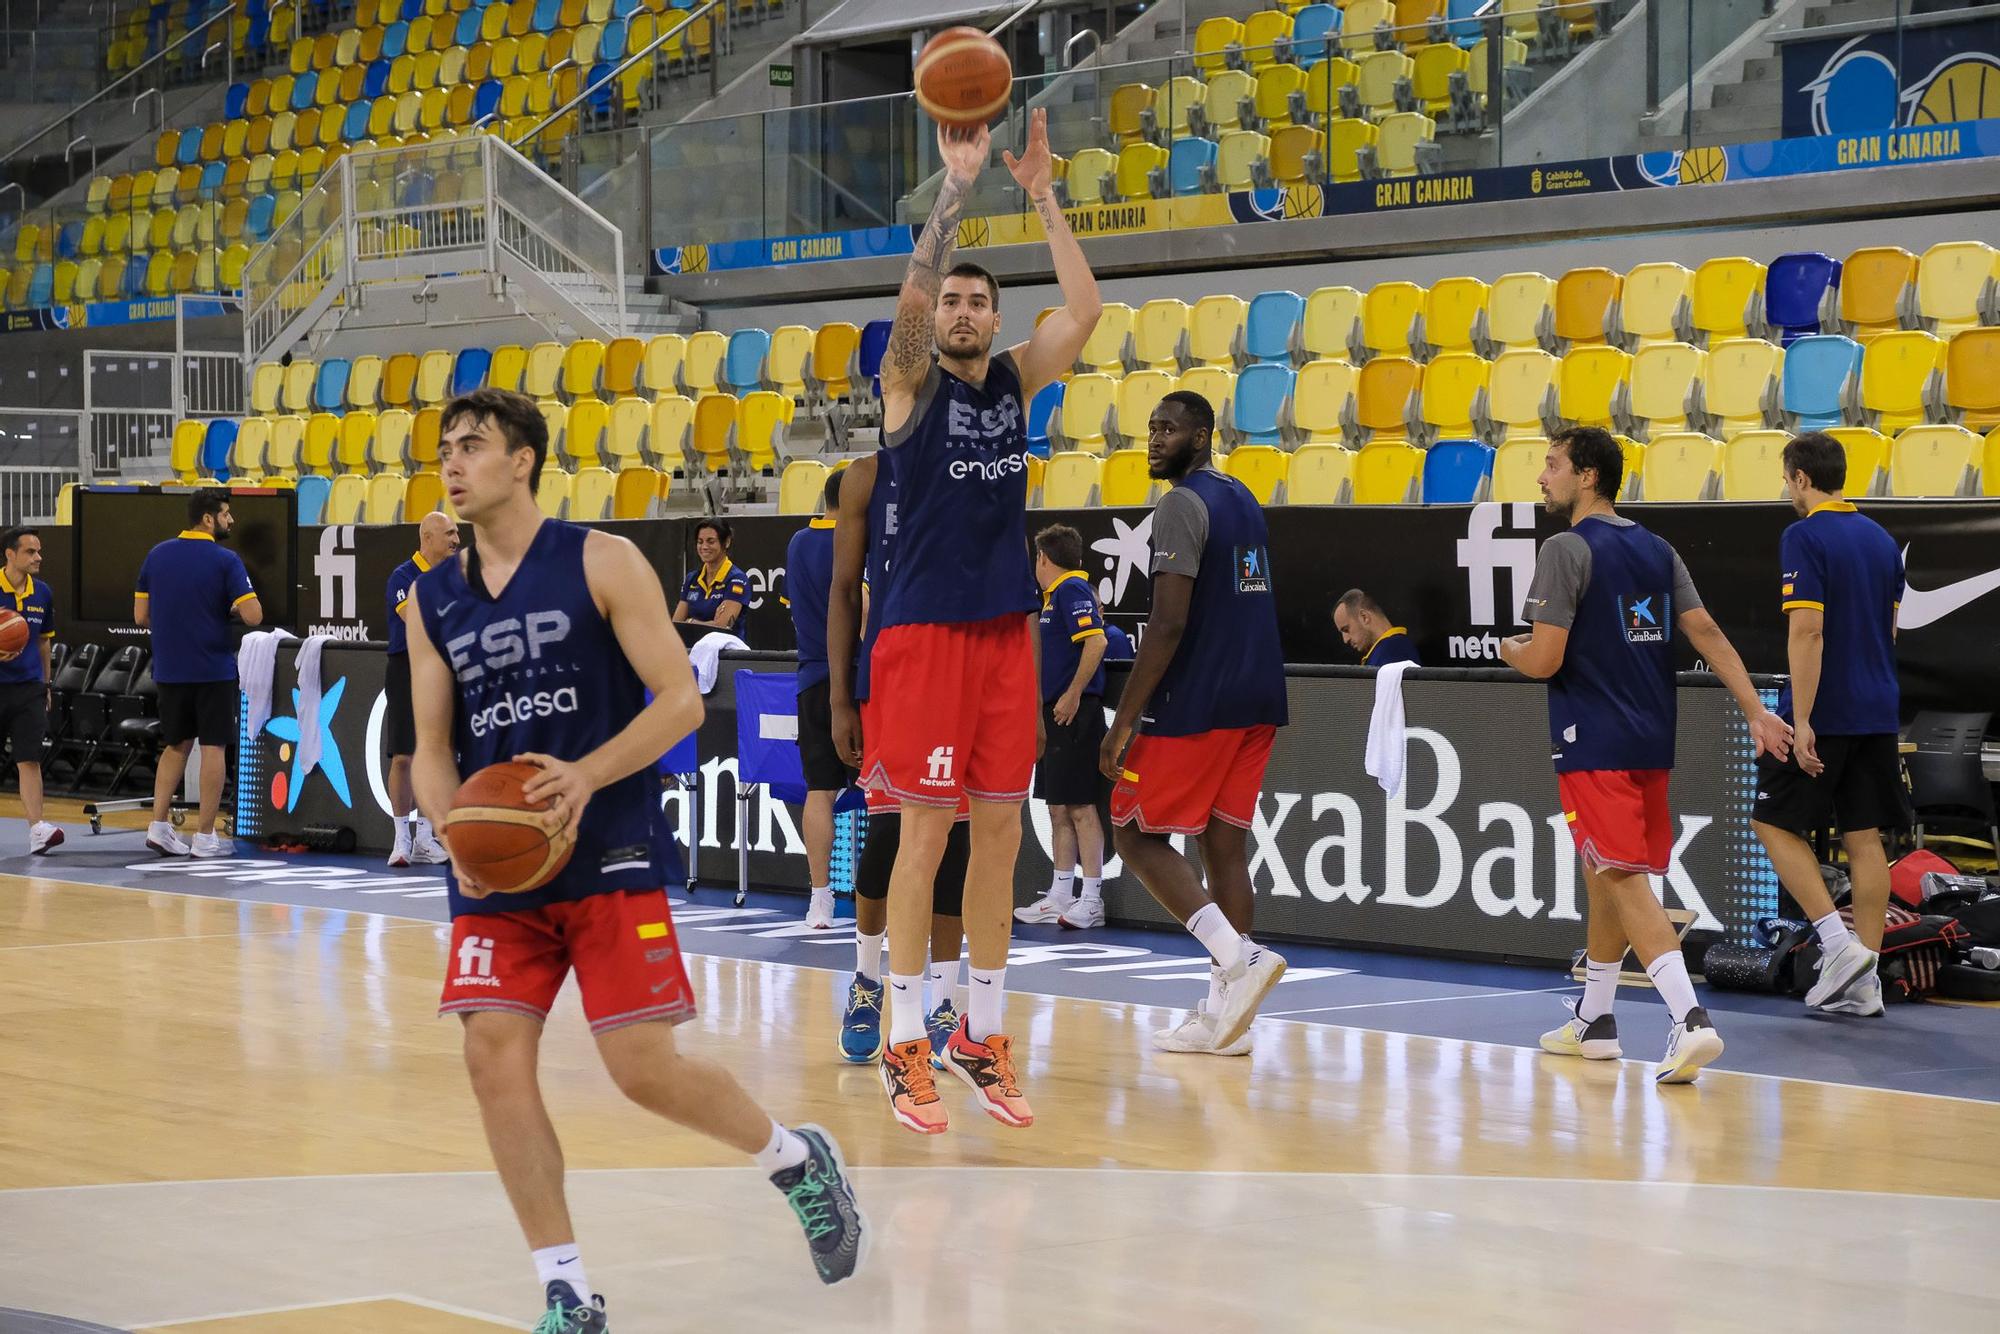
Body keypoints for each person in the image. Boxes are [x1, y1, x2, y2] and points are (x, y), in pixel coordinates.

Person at [405, 389, 864, 1329]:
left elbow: (679, 704)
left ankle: (794, 1159)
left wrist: (582, 777)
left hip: (607, 842)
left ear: (523, 459)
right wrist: (454, 833)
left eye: (473, 446)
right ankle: (566, 1290)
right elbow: (432, 746)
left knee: (639, 1067)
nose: (453, 462)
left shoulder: (601, 560)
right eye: (445, 448)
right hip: (500, 868)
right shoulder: (431, 599)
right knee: (493, 1058)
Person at [829, 106, 1101, 1135]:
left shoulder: (1012, 386)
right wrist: (951, 193)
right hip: (920, 635)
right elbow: (904, 308)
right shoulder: (907, 385)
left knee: (998, 837)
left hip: (1000, 634)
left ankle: (979, 1034)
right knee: (923, 836)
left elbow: (1083, 310)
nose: (962, 311)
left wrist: (1039, 195)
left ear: (994, 320)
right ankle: (906, 1041)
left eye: (978, 302)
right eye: (951, 299)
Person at [1500, 426, 1790, 1084]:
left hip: (1591, 739)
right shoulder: (1656, 548)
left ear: (1588, 477)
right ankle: (1595, 1019)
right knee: (1609, 872)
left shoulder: (1567, 548)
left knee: (1622, 878)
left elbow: (1543, 659)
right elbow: (1707, 631)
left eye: (1552, 466)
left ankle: (1690, 1020)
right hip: (1651, 739)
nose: (1542, 478)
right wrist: (1754, 708)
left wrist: (1508, 649)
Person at [1099, 391, 1290, 1057]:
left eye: (1169, 428)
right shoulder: (1241, 496)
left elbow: (1170, 622)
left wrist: (1123, 720)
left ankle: (1239, 964)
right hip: (1259, 697)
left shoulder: (1180, 505)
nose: (1154, 438)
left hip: (1200, 701)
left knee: (1131, 832)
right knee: (1223, 848)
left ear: (1202, 435)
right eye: (1150, 428)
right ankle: (1224, 1019)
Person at [1750, 431, 1910, 1018]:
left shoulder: (1803, 534)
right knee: (1864, 838)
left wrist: (1806, 716)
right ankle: (1866, 984)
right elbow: (1889, 633)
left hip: (1827, 708)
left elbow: (1808, 631)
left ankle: (1840, 948)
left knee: (1769, 821)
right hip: (1877, 707)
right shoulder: (1881, 539)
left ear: (1799, 478)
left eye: (1785, 478)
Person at [827, 453, 971, 1076]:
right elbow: (842, 591)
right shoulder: (865, 477)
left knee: (953, 842)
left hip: (962, 675)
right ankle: (865, 979)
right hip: (887, 676)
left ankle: (944, 1001)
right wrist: (839, 698)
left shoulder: (973, 468)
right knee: (887, 832)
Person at [135, 489, 262, 859]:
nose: (231, 521)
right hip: (212, 668)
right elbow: (254, 615)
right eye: (226, 514)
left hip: (170, 669)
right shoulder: (226, 560)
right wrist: (227, 610)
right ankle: (205, 837)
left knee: (175, 746)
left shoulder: (155, 555)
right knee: (213, 747)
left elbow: (140, 616)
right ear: (209, 519)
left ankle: (158, 826)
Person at [1016, 524, 1110, 930]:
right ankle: (1060, 894)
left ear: (1043, 558)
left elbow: (1097, 642)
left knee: (1080, 808)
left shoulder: (1072, 590)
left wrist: (1073, 693)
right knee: (1058, 808)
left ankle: (1091, 900)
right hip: (1055, 715)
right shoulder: (1054, 597)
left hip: (1075, 713)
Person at [783, 470, 853, 930]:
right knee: (886, 795)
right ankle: (883, 900)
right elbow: (860, 610)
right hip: (854, 682)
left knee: (819, 791)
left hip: (810, 677)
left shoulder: (796, 543)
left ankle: (819, 900)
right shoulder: (851, 543)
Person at [384, 511, 459, 867]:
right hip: (406, 668)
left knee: (440, 753)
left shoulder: (458, 577)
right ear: (427, 538)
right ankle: (401, 838)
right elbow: (414, 619)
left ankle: (426, 838)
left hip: (443, 669)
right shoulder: (403, 575)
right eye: (449, 533)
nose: (456, 540)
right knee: (403, 756)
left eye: (457, 533)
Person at [0, 527, 61, 854]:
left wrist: (46, 684)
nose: (38, 557)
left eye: (38, 551)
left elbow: (43, 640)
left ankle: (37, 828)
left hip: (29, 688)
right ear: (10, 554)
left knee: (29, 758)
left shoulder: (43, 593)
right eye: (30, 552)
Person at [674, 518, 750, 640]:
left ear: (726, 542)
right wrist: (708, 623)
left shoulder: (737, 579)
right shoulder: (692, 578)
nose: (704, 547)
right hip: (693, 650)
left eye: (711, 541)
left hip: (727, 654)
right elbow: (677, 624)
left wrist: (691, 622)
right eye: (700, 542)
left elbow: (721, 628)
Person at [1334, 588, 1420, 667]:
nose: (1345, 640)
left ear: (1364, 617)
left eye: (1346, 629)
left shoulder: (1392, 652)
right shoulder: (1391, 649)